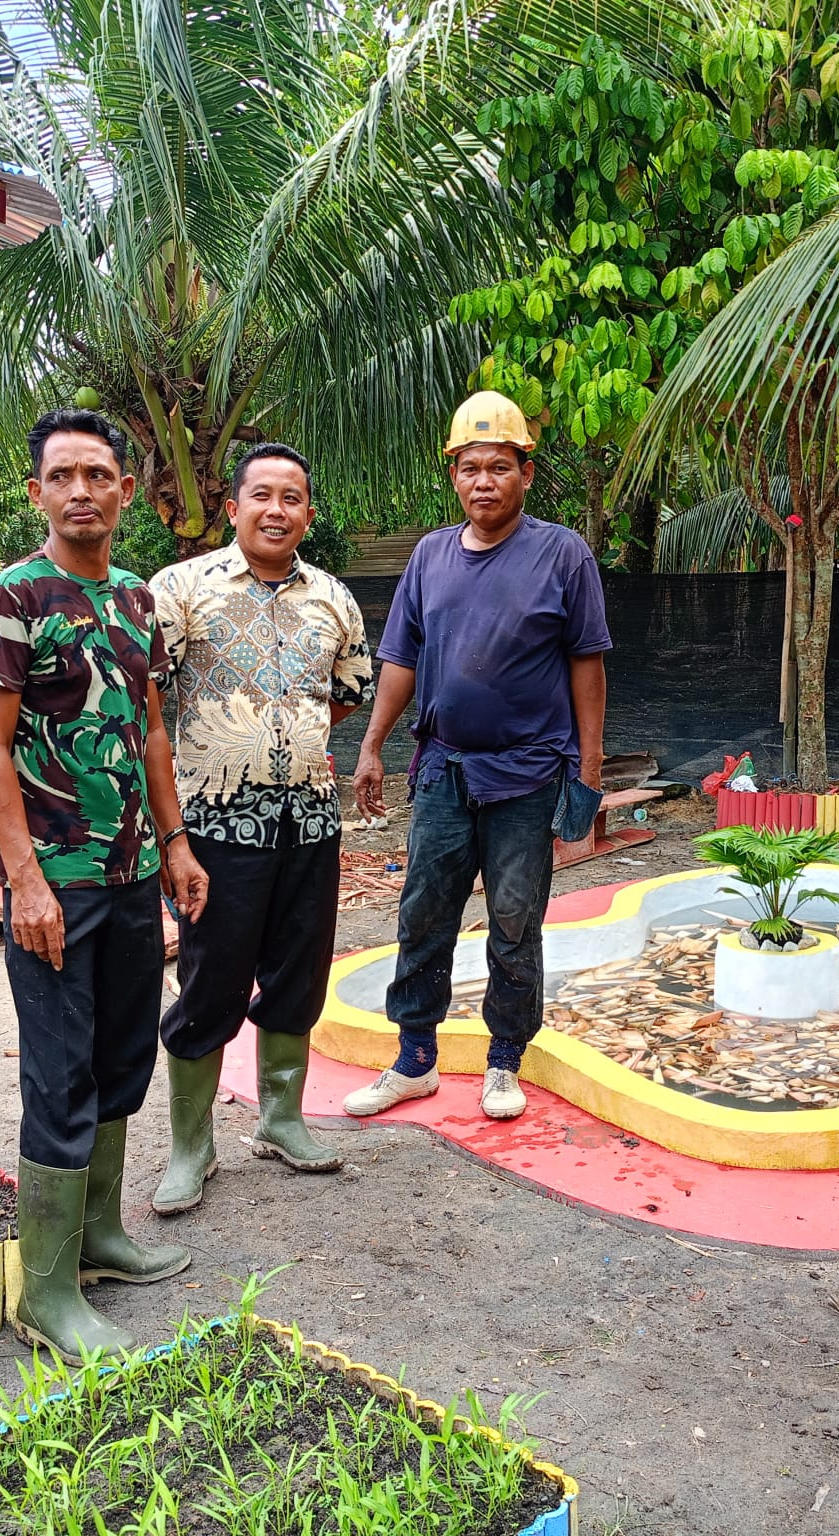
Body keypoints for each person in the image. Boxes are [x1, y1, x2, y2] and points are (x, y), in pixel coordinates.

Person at [0, 408, 209, 1363]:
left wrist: (176, 846)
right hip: (53, 887)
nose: (80, 491)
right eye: (62, 475)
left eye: (97, 474)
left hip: (132, 873)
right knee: (58, 1075)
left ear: (122, 490)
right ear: (38, 493)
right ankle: (48, 1292)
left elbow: (150, 730)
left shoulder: (139, 602)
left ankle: (101, 1237)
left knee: (119, 1061)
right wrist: (24, 881)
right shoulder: (11, 601)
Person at [344, 390, 610, 1122]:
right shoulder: (429, 556)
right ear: (453, 476)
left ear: (526, 471)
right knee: (423, 913)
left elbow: (587, 664)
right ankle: (414, 1060)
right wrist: (371, 747)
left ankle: (503, 1061)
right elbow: (399, 656)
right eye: (469, 467)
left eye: (499, 466)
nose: (483, 481)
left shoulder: (561, 553)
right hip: (442, 772)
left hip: (527, 775)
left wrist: (586, 775)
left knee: (517, 921)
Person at [147, 444, 371, 1214]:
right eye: (262, 495)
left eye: (293, 498)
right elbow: (149, 701)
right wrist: (178, 824)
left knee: (300, 975)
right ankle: (191, 1145)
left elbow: (346, 691)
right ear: (235, 506)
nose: (277, 510)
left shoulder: (334, 597)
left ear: (309, 511)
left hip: (309, 820)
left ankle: (280, 1121)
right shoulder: (178, 590)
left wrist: (289, 736)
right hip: (213, 828)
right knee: (210, 980)